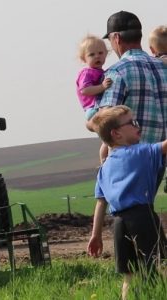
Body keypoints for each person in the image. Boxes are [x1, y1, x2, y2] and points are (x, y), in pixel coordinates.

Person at [87, 105, 167, 300]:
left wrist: (95, 235)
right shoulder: (138, 153)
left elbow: (101, 203)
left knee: (129, 275)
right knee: (161, 265)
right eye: (132, 123)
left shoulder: (104, 167)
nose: (137, 125)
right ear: (116, 134)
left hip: (119, 223)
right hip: (142, 218)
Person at [93, 11, 167, 188]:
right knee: (145, 210)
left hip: (128, 160)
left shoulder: (117, 72)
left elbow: (104, 121)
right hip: (159, 157)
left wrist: (90, 122)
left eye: (110, 40)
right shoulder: (164, 68)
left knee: (127, 213)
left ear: (116, 38)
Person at [76, 35, 112, 163]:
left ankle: (106, 160)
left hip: (97, 107)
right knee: (108, 139)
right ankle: (104, 161)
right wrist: (102, 87)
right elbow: (85, 90)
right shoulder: (87, 73)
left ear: (106, 54)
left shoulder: (100, 71)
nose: (97, 56)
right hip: (92, 109)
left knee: (108, 139)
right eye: (92, 54)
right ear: (83, 58)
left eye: (100, 53)